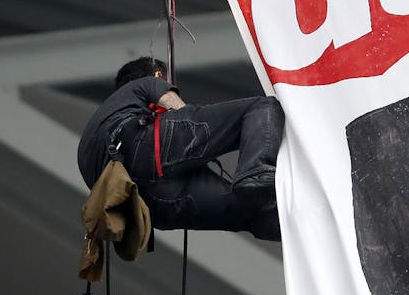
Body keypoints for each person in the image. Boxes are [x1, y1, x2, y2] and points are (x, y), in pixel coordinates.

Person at [77, 57, 284, 241]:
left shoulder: (93, 138)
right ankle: (256, 173)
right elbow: (178, 110)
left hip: (150, 208)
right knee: (261, 107)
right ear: (158, 74)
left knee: (250, 214)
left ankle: (280, 225)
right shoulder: (144, 83)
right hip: (148, 149)